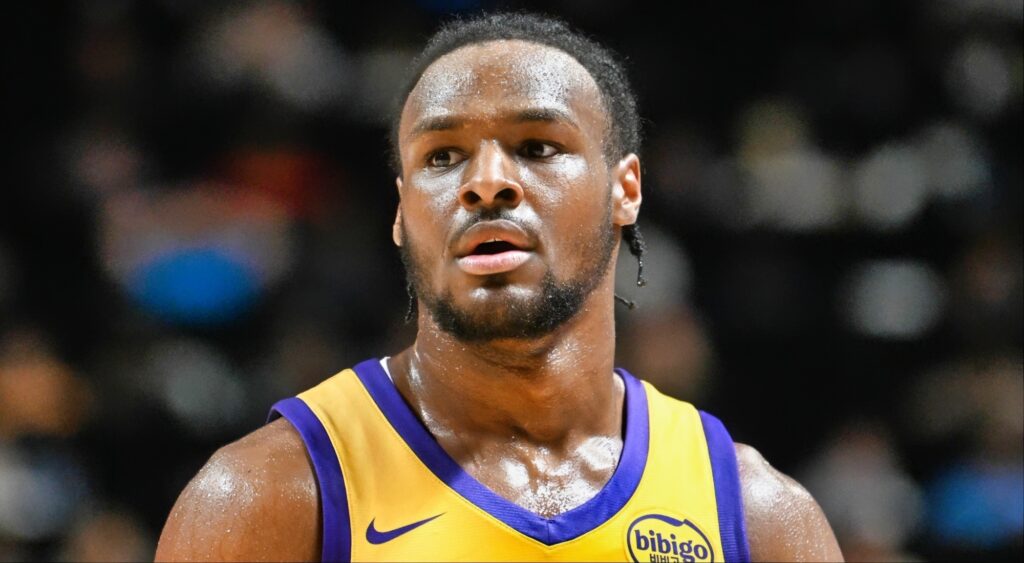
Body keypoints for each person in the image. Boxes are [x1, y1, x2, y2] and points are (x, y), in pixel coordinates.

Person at [156, 12, 843, 562]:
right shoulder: (267, 495)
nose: (486, 181)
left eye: (538, 146)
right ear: (401, 210)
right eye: (443, 156)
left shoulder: (758, 518)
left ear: (624, 189)